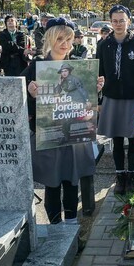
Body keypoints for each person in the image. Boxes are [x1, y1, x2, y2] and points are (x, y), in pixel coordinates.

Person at [24, 18, 102, 223]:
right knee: (52, 182)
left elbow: (86, 101)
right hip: (49, 134)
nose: (65, 44)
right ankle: (56, 227)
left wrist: (96, 91)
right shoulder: (37, 66)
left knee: (71, 179)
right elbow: (20, 99)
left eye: (68, 39)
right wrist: (30, 95)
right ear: (50, 39)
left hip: (73, 133)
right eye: (59, 38)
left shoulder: (79, 66)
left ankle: (71, 225)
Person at [97, 5, 134, 194]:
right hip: (112, 98)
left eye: (122, 20)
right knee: (117, 141)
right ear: (110, 22)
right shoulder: (104, 45)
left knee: (133, 139)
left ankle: (131, 175)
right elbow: (99, 74)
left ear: (129, 21)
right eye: (115, 20)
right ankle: (120, 175)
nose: (118, 24)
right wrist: (98, 100)